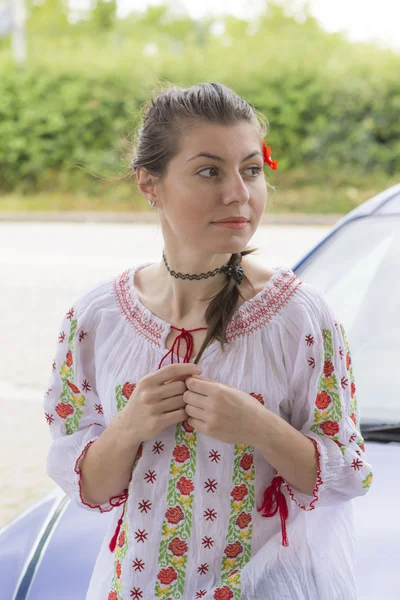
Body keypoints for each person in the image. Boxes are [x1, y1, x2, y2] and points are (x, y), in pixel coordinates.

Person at [43, 82, 373, 600]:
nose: (239, 193)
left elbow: (346, 477)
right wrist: (128, 426)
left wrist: (259, 427)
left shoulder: (301, 318)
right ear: (149, 184)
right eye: (208, 171)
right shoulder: (96, 319)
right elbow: (88, 489)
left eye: (251, 170)